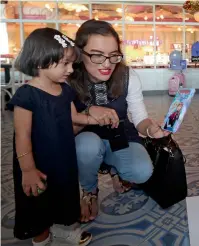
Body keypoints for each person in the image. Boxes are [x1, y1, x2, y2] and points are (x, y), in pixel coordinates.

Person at [6, 28, 103, 246]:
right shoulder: (27, 95)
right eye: (64, 63)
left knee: (63, 195)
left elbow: (75, 117)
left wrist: (98, 118)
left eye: (72, 64)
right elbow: (22, 135)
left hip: (63, 158)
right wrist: (28, 170)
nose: (70, 69)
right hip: (37, 162)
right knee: (38, 200)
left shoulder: (65, 90)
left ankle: (61, 230)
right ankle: (41, 238)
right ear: (41, 61)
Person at [68, 19, 169, 223]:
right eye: (97, 55)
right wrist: (88, 113)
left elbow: (139, 118)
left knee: (142, 172)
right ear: (79, 54)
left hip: (120, 135)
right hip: (85, 139)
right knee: (87, 147)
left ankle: (115, 170)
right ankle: (89, 191)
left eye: (113, 55)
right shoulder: (68, 78)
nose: (107, 64)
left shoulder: (128, 75)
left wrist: (151, 130)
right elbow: (63, 132)